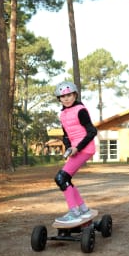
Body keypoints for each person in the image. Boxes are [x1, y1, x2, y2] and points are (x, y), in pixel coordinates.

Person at [54, 81, 97, 223]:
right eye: (62, 96)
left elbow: (92, 131)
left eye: (69, 95)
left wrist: (77, 148)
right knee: (65, 179)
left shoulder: (80, 110)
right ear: (59, 99)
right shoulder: (62, 114)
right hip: (75, 150)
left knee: (61, 178)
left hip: (85, 148)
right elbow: (66, 135)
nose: (66, 98)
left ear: (75, 95)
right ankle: (83, 209)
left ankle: (74, 212)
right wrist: (68, 147)